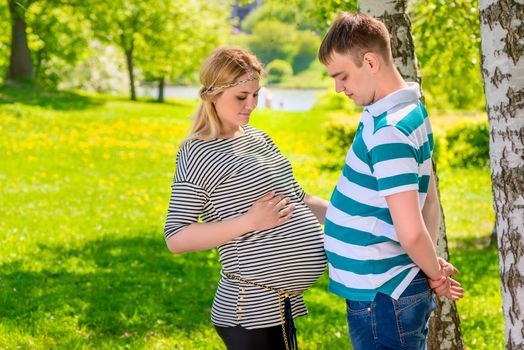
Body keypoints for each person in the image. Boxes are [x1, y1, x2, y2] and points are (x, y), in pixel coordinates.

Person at [164, 47, 328, 350]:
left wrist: (355, 216)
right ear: (212, 94)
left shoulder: (259, 137)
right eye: (241, 96)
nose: (251, 104)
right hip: (247, 310)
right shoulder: (198, 152)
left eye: (256, 94)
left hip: (278, 305)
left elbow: (299, 199)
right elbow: (176, 237)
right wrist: (250, 221)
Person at [318, 12, 464, 350]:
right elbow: (427, 198)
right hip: (386, 290)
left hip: (382, 297)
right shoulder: (407, 110)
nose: (338, 88)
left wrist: (435, 276)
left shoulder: (389, 132)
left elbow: (411, 232)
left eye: (342, 76)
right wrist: (427, 264)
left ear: (369, 62)